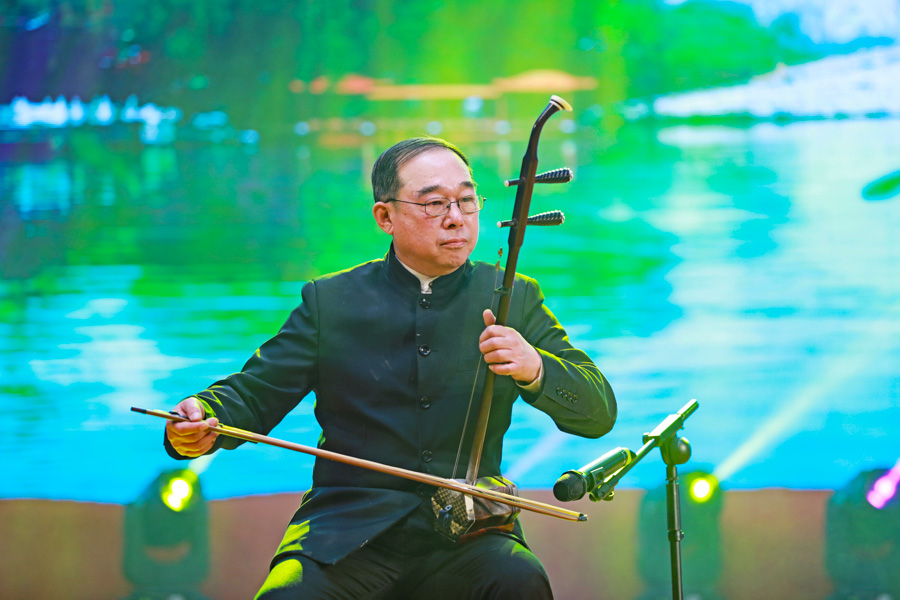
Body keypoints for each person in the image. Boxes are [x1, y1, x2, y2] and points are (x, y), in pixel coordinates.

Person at [164, 137, 617, 599]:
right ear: (385, 217)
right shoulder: (331, 300)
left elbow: (598, 412)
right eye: (434, 203)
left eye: (466, 200)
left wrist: (536, 367)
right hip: (346, 532)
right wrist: (203, 414)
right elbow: (255, 392)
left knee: (519, 580)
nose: (456, 217)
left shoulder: (513, 297)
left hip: (469, 531)